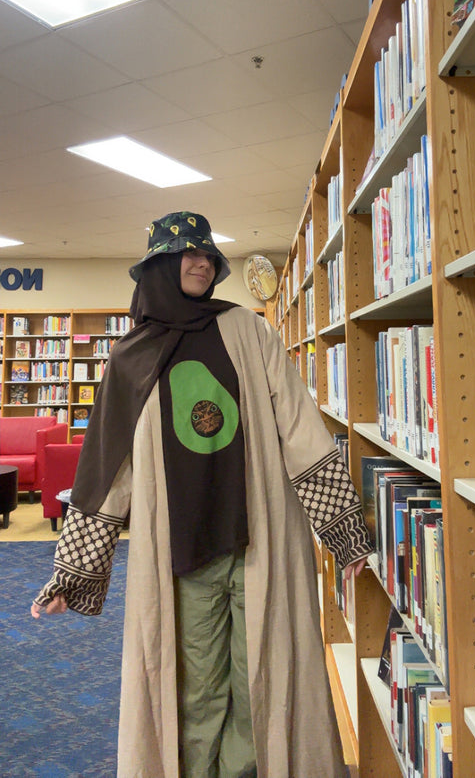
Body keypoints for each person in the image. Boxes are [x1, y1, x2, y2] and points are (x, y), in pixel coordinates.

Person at [31, 211, 373, 778]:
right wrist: (74, 573)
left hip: (257, 539)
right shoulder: (128, 358)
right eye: (184, 253)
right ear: (158, 267)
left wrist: (343, 529)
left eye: (206, 254)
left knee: (260, 679)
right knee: (196, 692)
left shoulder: (247, 329)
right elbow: (106, 471)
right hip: (182, 552)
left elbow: (298, 428)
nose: (200, 262)